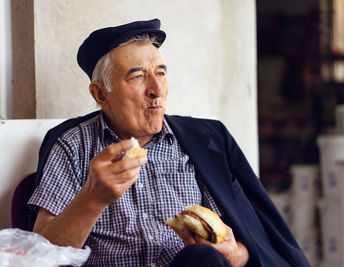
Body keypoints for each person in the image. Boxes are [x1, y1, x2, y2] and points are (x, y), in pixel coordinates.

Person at [27, 19, 310, 267]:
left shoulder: (206, 141)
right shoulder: (73, 145)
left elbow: (257, 240)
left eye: (161, 73)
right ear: (101, 94)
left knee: (203, 258)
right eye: (137, 76)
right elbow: (40, 257)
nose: (157, 90)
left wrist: (236, 255)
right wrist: (92, 199)